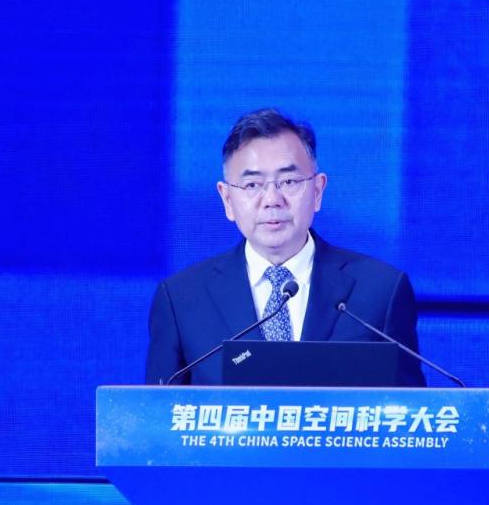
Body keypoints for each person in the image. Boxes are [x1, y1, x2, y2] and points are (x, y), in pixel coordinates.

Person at [145, 108, 425, 386]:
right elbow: (155, 411)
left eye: (289, 181)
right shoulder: (182, 300)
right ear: (227, 199)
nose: (272, 200)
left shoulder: (380, 292)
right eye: (252, 185)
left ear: (317, 191)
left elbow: (411, 409)